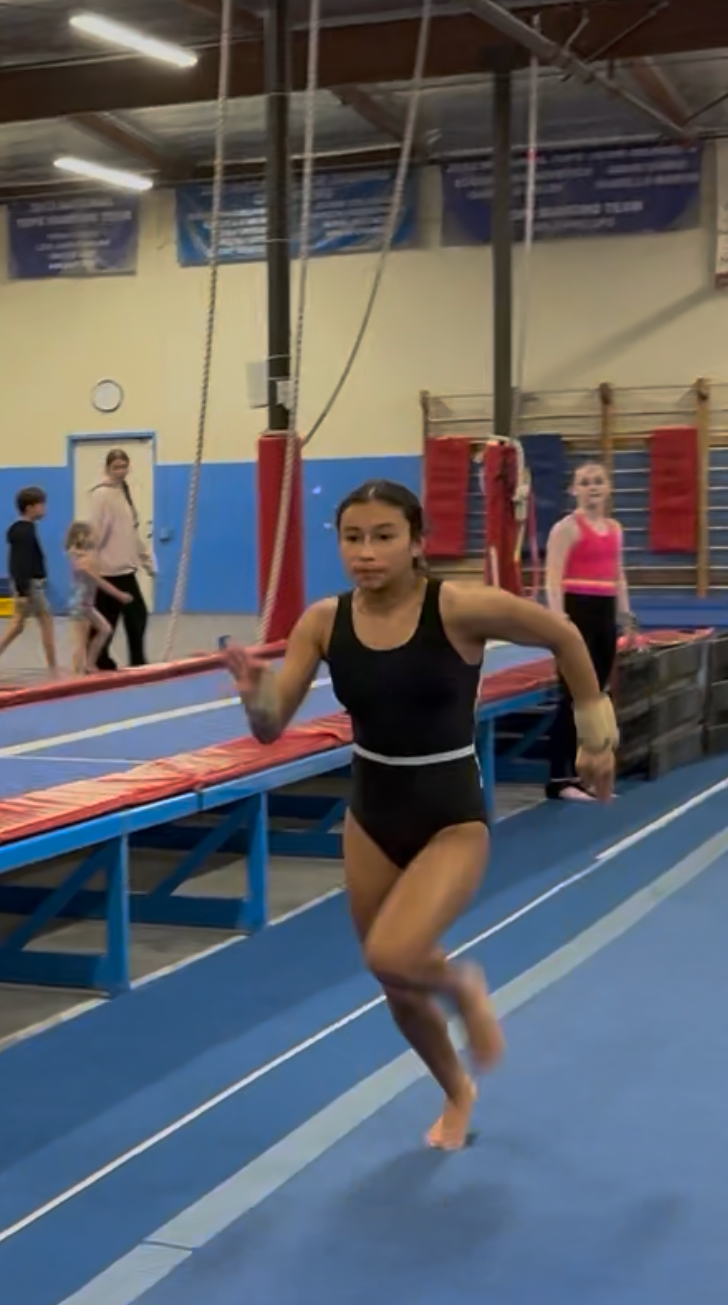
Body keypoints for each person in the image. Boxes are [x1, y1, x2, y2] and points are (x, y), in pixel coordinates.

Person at [224, 478, 616, 1152]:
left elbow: (561, 633)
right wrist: (253, 696)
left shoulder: (456, 607)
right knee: (394, 980)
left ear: (415, 542)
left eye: (383, 537)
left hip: (449, 814)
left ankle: (461, 985)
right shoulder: (322, 622)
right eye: (352, 538)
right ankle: (455, 1090)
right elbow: (269, 729)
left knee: (395, 951)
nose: (366, 553)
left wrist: (593, 729)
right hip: (373, 809)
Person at [544, 460, 632, 801]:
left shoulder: (615, 529)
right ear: (574, 490)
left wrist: (627, 616)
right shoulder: (566, 528)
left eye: (598, 481)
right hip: (577, 612)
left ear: (608, 488)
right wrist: (558, 621)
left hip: (605, 613)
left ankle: (589, 773)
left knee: (596, 700)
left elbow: (619, 574)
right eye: (585, 482)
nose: (592, 487)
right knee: (572, 696)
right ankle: (559, 779)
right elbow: (552, 578)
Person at [0, 485, 59, 682]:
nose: (45, 509)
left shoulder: (24, 529)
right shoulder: (24, 532)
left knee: (16, 626)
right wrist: (23, 591)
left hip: (27, 584)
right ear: (30, 507)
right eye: (42, 505)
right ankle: (53, 667)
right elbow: (20, 563)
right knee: (46, 621)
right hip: (29, 585)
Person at [89, 448, 154, 669]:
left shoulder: (124, 491)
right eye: (116, 467)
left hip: (125, 567)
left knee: (130, 617)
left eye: (124, 466)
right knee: (112, 619)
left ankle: (131, 659)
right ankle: (98, 659)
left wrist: (147, 560)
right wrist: (91, 564)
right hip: (107, 569)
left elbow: (131, 531)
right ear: (108, 468)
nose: (121, 471)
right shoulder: (101, 494)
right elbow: (96, 531)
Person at [64, 521, 126, 675]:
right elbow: (101, 582)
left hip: (86, 603)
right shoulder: (84, 560)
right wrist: (120, 595)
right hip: (80, 604)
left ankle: (90, 664)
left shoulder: (79, 555)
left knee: (105, 629)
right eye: (91, 535)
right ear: (82, 537)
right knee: (81, 641)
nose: (95, 538)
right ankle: (76, 674)